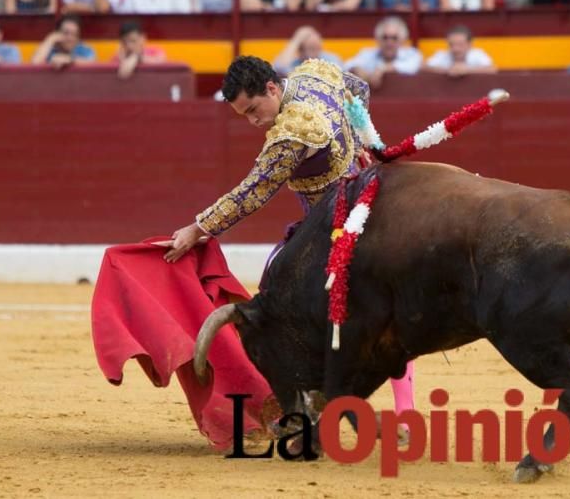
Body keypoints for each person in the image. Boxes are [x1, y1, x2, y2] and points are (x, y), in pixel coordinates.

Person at [160, 55, 416, 440]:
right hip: (373, 199)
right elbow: (358, 90)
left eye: (253, 109)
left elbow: (254, 190)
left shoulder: (293, 131)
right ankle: (404, 412)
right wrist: (362, 145)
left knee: (284, 298)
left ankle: (306, 406)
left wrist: (197, 229)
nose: (253, 121)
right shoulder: (314, 73)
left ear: (272, 88)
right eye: (243, 115)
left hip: (334, 228)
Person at [345, 16, 423, 87]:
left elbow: (413, 66)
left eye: (394, 38)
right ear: (378, 39)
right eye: (385, 37)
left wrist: (383, 69)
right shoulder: (367, 54)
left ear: (402, 40)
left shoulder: (412, 54)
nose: (389, 42)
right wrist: (357, 69)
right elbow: (347, 66)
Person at [424, 25, 496, 76]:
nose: (455, 49)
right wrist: (447, 70)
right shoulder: (442, 55)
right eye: (451, 44)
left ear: (469, 44)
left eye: (460, 44)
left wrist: (467, 70)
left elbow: (492, 69)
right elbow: (423, 67)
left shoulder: (477, 54)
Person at [31, 15, 97, 67]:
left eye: (74, 34)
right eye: (66, 33)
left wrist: (70, 60)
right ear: (57, 33)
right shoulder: (48, 49)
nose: (70, 38)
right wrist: (50, 39)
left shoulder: (85, 50)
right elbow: (34, 64)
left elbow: (93, 65)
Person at [272, 25, 343, 74]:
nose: (314, 53)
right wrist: (296, 41)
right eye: (310, 48)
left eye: (316, 46)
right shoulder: (295, 63)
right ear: (300, 50)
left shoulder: (330, 60)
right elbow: (279, 67)